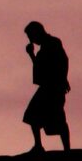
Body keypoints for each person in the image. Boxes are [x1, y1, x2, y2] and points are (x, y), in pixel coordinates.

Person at [23, 22, 71, 152]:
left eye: (30, 36)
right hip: (47, 87)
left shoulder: (53, 43)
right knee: (32, 115)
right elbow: (39, 67)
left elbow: (63, 61)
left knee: (58, 118)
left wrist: (63, 78)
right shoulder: (43, 49)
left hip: (53, 87)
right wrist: (31, 55)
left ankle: (67, 149)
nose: (31, 39)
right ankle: (38, 145)